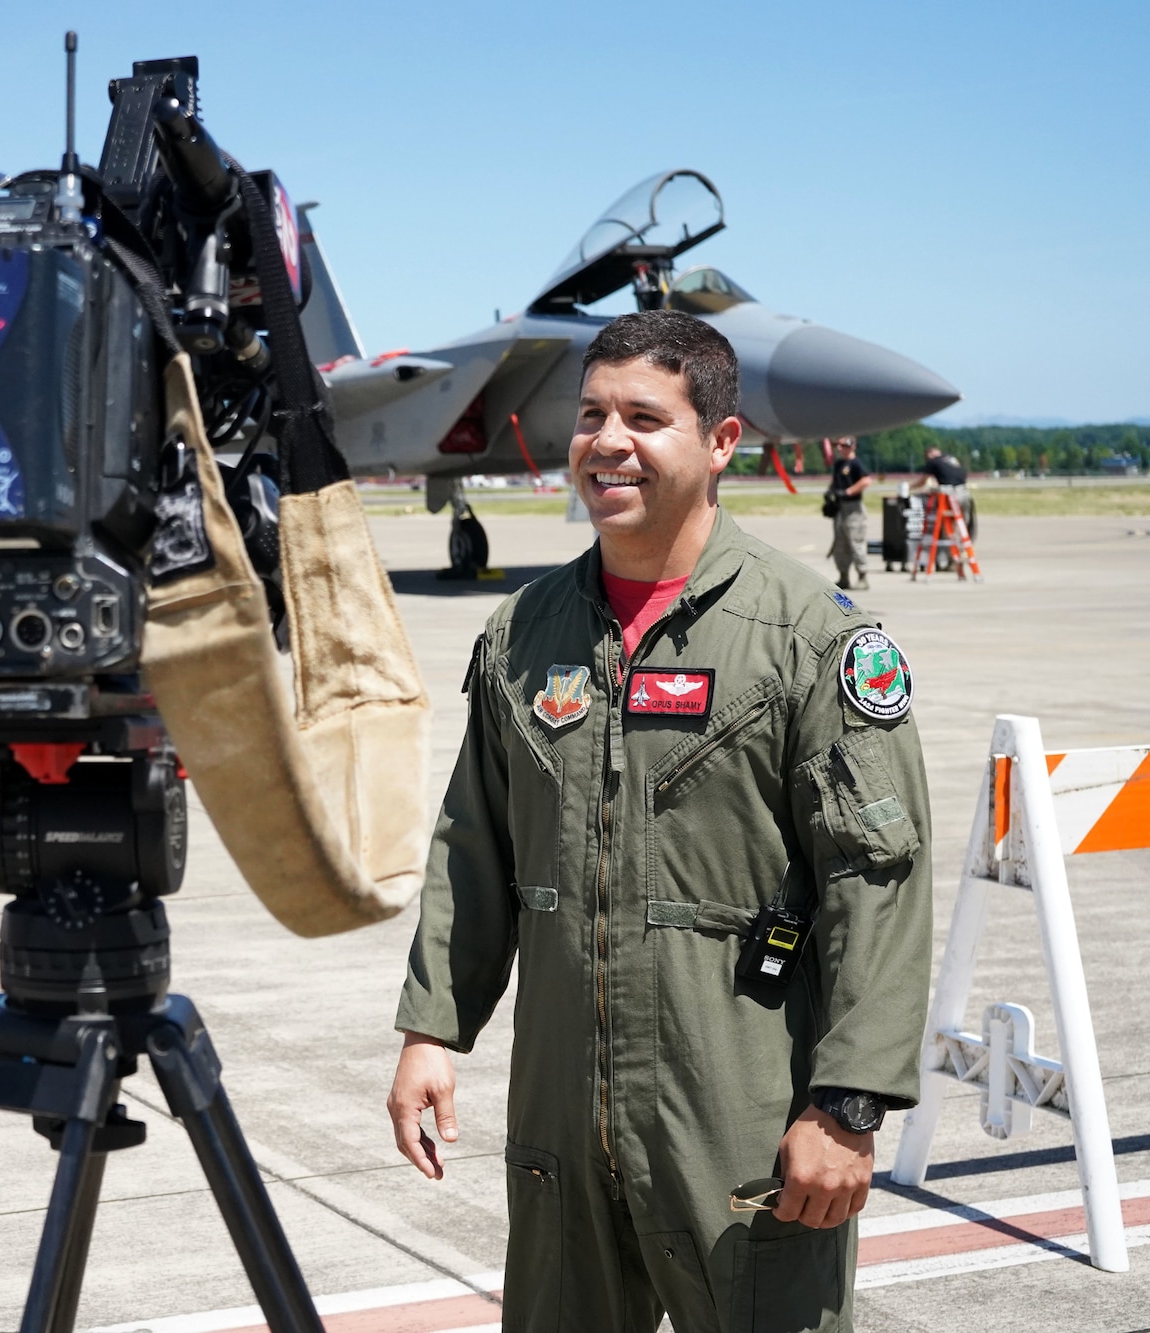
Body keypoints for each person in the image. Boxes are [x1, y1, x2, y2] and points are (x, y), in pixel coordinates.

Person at [386, 310, 932, 1333]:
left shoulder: (805, 639)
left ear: (721, 442)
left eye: (643, 416)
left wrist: (848, 1102)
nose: (605, 440)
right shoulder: (523, 633)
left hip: (738, 1113)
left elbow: (875, 875)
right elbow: (473, 841)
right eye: (591, 414)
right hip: (558, 1113)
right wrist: (430, 1029)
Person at [826, 437, 872, 590]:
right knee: (840, 544)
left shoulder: (856, 463)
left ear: (852, 447)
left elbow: (866, 481)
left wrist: (848, 492)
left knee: (856, 542)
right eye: (839, 446)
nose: (840, 448)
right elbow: (836, 480)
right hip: (840, 507)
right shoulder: (839, 464)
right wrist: (830, 492)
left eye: (844, 446)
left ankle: (862, 576)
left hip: (853, 508)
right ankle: (843, 576)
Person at [912, 445, 975, 539]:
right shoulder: (951, 459)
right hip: (964, 492)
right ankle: (963, 544)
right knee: (963, 521)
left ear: (930, 454)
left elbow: (922, 482)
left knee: (926, 494)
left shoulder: (933, 461)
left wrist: (910, 487)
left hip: (949, 492)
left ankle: (947, 543)